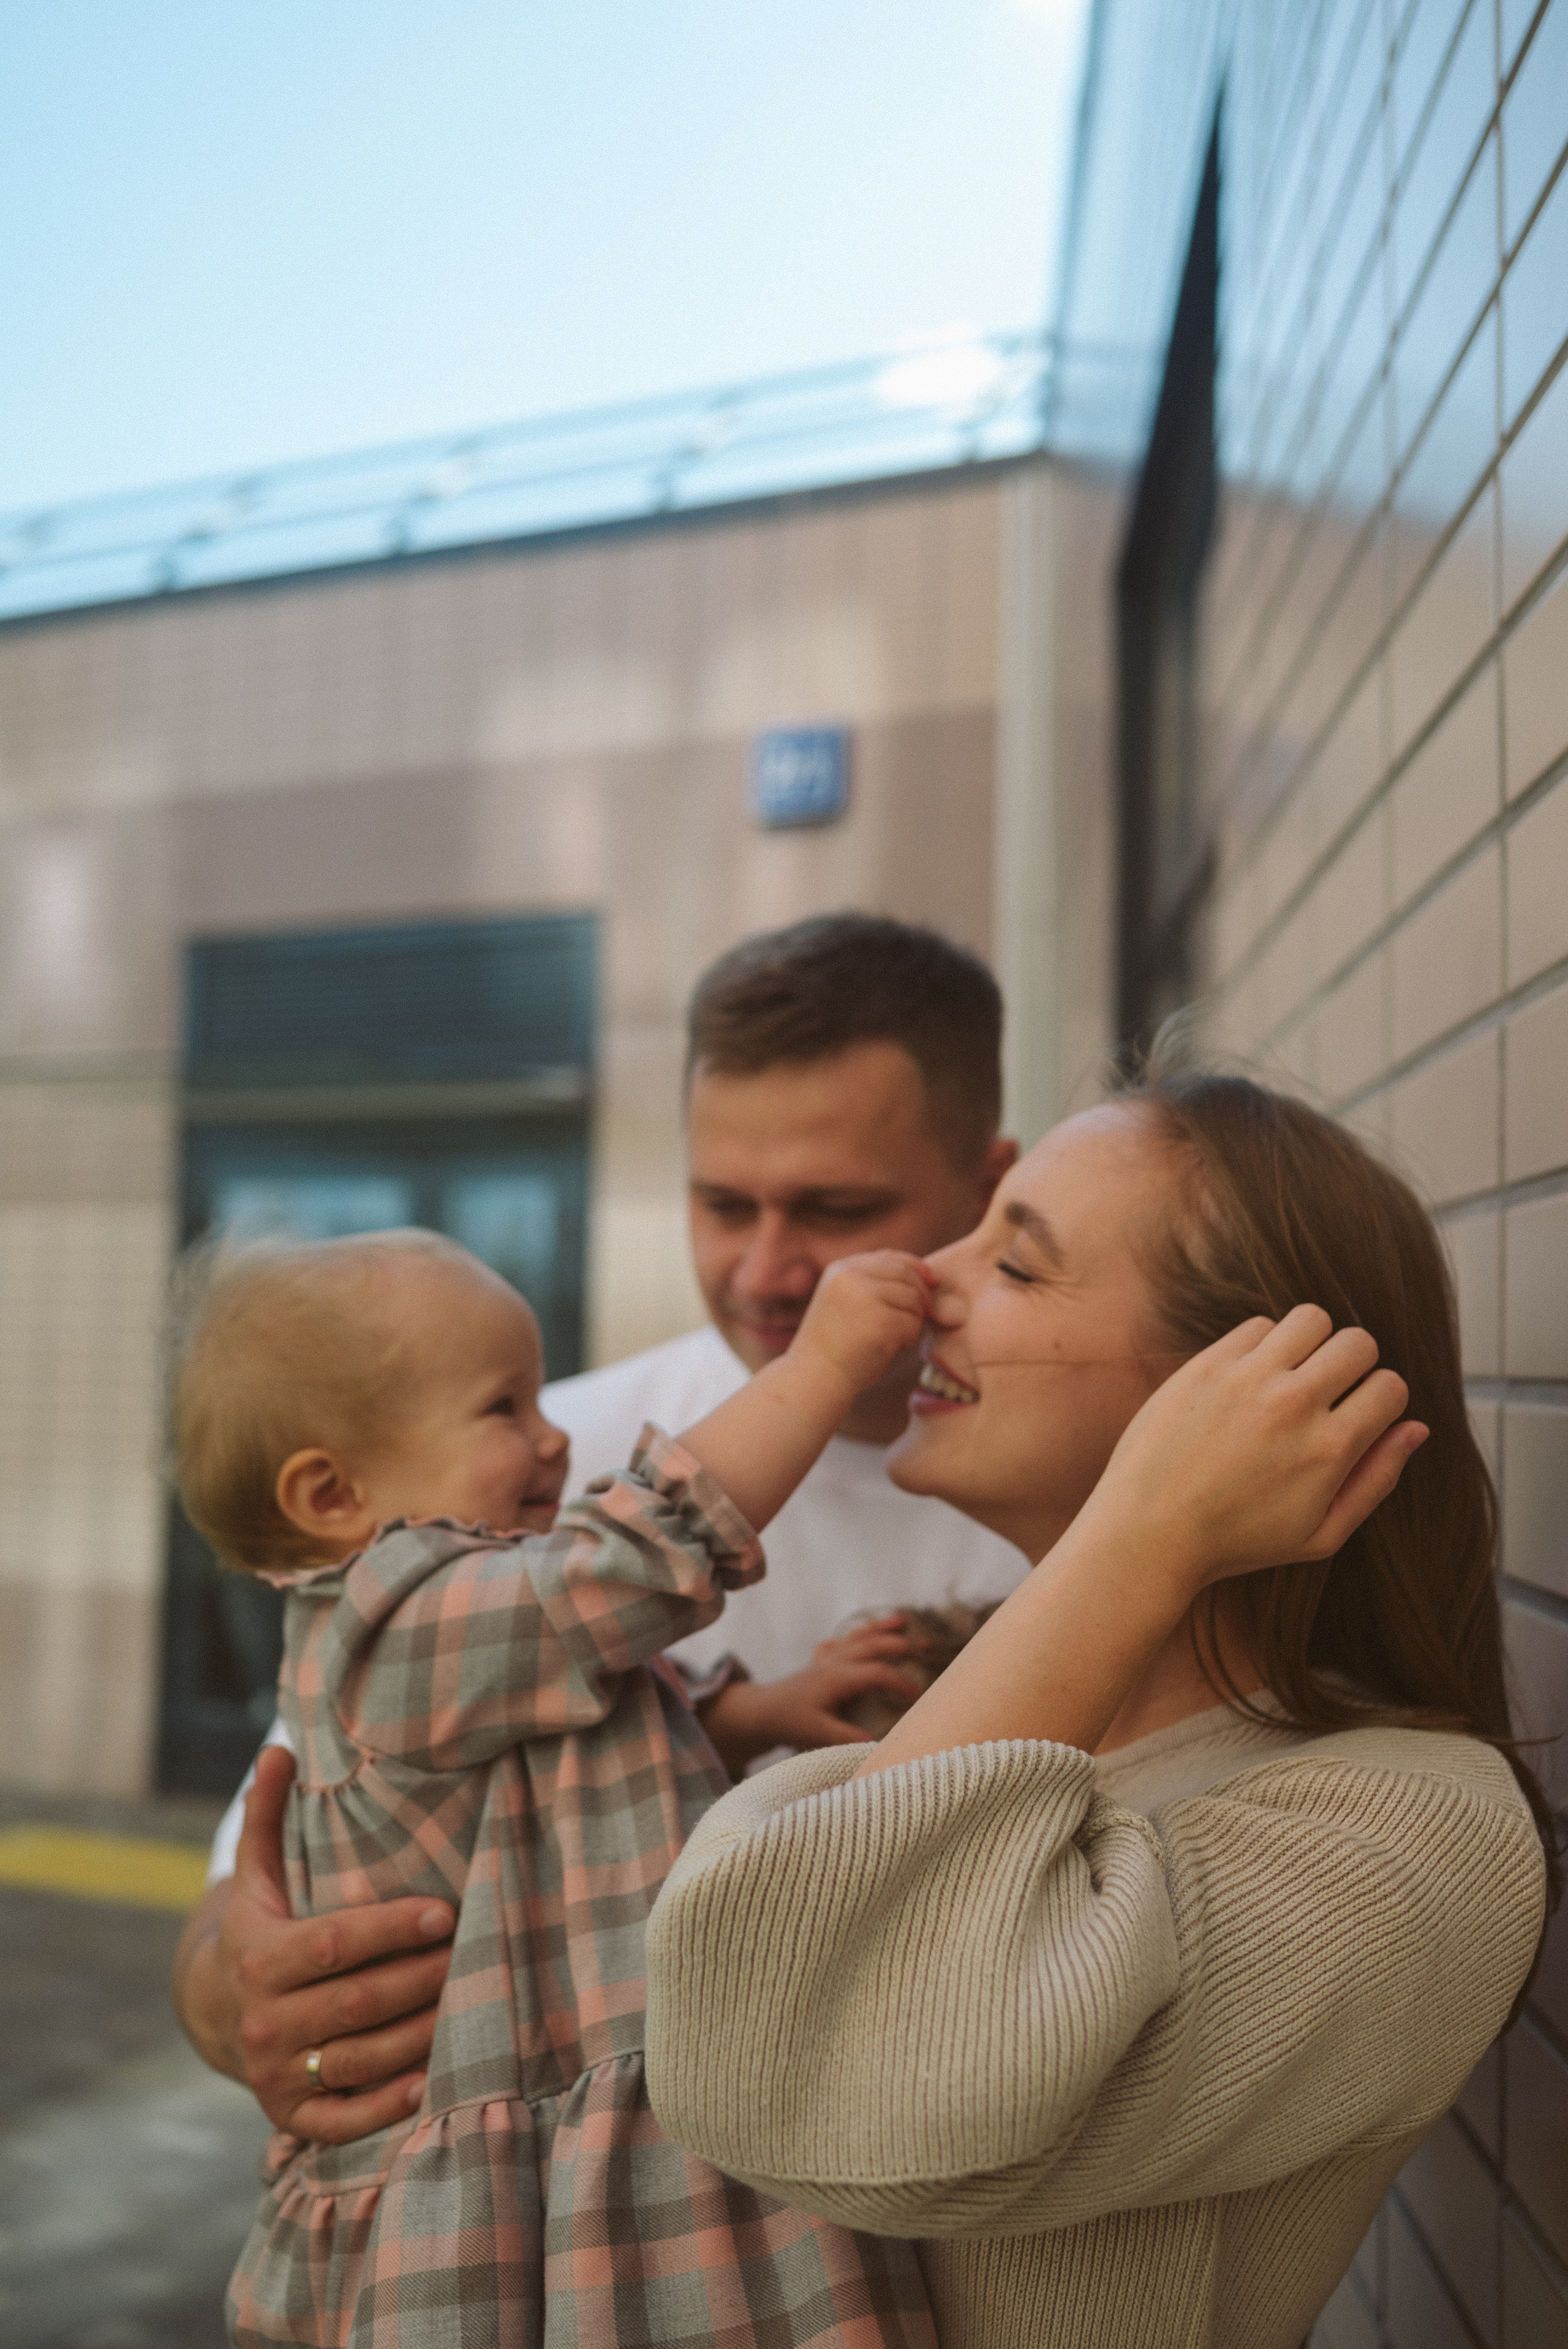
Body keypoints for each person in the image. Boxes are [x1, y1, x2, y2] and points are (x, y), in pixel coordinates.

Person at [644, 1069, 1556, 2349]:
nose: (921, 1280)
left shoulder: (1413, 1829)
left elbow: (781, 2062)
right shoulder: (945, 1681)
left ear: (1248, 1394)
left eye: (1014, 1267)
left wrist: (1143, 1531)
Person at [173, 915, 1027, 2145]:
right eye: (722, 1202)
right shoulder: (515, 1474)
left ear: (988, 1183)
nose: (767, 1268)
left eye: (834, 1208)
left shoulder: (1099, 1492)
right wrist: (236, 1989)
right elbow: (248, 1882)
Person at [172, 1224, 936, 2347]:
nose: (553, 1438)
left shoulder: (470, 1641)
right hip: (493, 2204)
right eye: (505, 1410)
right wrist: (816, 1371)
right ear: (334, 1494)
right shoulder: (394, 1622)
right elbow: (635, 1560)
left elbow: (582, 1756)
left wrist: (754, 1714)